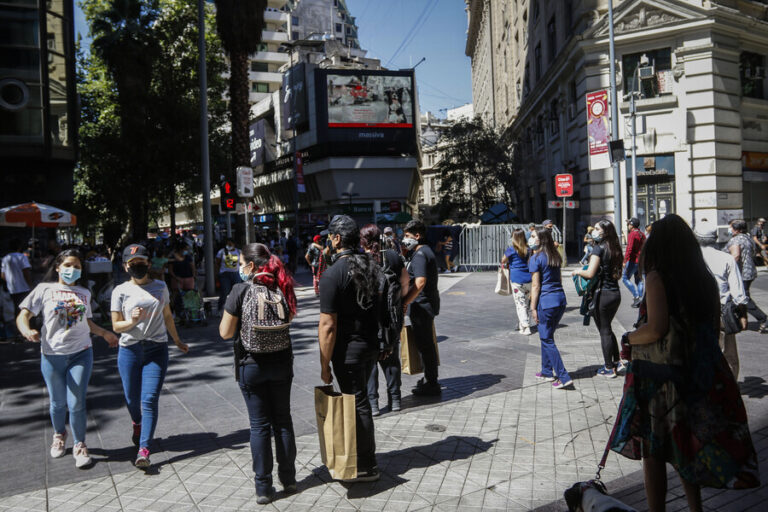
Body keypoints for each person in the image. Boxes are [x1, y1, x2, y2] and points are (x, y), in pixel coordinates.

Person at [612, 214, 759, 511]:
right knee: (684, 448)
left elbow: (656, 328)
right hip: (700, 374)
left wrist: (628, 339)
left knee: (654, 451)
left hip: (663, 379)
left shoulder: (658, 277)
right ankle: (695, 508)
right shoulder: (703, 278)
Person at [16, 249, 119, 468]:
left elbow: (87, 321)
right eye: (68, 265)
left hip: (81, 352)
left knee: (77, 402)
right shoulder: (44, 290)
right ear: (57, 267)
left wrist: (104, 333)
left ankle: (80, 444)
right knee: (57, 403)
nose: (72, 270)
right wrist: (26, 330)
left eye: (77, 266)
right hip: (52, 355)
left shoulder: (84, 293)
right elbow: (23, 315)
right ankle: (59, 434)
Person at [219, 243, 298, 504]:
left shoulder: (240, 290)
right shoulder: (282, 285)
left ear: (251, 266)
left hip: (251, 365)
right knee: (283, 421)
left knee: (259, 425)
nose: (239, 268)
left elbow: (225, 332)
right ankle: (289, 479)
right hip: (282, 362)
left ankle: (263, 487)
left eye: (241, 263)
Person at [111, 244, 189, 468]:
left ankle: (144, 449)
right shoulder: (120, 291)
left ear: (148, 264)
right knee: (131, 399)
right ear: (126, 266)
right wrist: (133, 321)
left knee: (149, 399)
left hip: (157, 348)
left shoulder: (160, 286)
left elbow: (167, 315)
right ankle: (137, 423)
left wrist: (177, 340)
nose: (138, 266)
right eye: (133, 264)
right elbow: (117, 326)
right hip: (130, 350)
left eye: (142, 262)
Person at [318, 215, 381, 482]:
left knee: (358, 404)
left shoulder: (332, 274)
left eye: (329, 238)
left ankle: (367, 465)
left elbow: (327, 325)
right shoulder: (372, 265)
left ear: (336, 239)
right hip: (371, 345)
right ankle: (362, 458)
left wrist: (324, 365)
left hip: (349, 351)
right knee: (361, 401)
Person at [361, 224, 409, 416]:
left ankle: (373, 404)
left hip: (369, 320)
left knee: (370, 363)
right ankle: (395, 399)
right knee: (391, 359)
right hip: (391, 317)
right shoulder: (393, 256)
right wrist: (401, 303)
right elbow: (406, 283)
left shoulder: (360, 260)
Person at [694, 221, 748, 380]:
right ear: (715, 238)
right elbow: (738, 291)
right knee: (728, 355)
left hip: (696, 314)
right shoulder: (726, 259)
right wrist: (743, 314)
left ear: (696, 238)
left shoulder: (690, 259)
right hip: (722, 313)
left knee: (701, 352)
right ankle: (730, 387)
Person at [573, 220, 623, 378]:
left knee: (604, 331)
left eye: (596, 229)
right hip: (615, 293)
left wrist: (577, 271)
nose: (593, 231)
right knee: (608, 328)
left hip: (603, 294)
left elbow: (590, 273)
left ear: (604, 232)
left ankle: (609, 368)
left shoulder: (598, 248)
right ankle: (617, 362)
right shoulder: (615, 247)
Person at [401, 219, 441, 396]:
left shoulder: (420, 254)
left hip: (422, 306)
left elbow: (420, 281)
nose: (404, 239)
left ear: (417, 236)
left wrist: (406, 301)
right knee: (426, 345)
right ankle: (429, 379)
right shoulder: (423, 251)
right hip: (425, 304)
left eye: (407, 236)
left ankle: (431, 383)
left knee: (425, 346)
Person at [529, 228, 572, 389]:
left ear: (541, 240)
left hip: (546, 302)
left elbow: (535, 285)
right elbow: (559, 280)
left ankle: (563, 375)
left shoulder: (536, 258)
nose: (530, 239)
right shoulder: (554, 255)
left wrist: (533, 307)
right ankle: (547, 371)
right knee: (547, 336)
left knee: (546, 339)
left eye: (533, 236)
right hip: (560, 300)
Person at [725, 219, 767, 333]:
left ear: (737, 229)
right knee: (742, 297)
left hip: (741, 273)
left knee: (744, 298)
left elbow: (736, 255)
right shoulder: (747, 237)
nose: (729, 229)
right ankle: (742, 320)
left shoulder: (736, 240)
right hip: (749, 271)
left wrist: (727, 268)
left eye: (731, 227)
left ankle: (763, 319)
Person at [501, 229, 532, 335]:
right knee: (526, 304)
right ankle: (521, 325)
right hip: (528, 278)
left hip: (516, 279)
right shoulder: (528, 249)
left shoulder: (510, 250)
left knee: (520, 303)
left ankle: (526, 326)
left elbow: (503, 260)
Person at [2, 238, 32, 312]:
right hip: (24, 288)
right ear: (19, 247)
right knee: (25, 308)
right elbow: (26, 272)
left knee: (16, 309)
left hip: (12, 289)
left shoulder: (5, 258)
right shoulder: (22, 257)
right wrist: (30, 285)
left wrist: (9, 282)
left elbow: (2, 274)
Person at [622, 217, 646, 308]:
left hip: (633, 260)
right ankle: (640, 298)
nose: (628, 225)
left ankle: (636, 297)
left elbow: (629, 248)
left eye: (628, 224)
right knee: (639, 280)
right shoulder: (642, 234)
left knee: (625, 278)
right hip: (640, 261)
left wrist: (625, 261)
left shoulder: (632, 234)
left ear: (631, 225)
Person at [216, 239, 241, 312]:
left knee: (237, 292)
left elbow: (242, 263)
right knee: (224, 292)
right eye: (227, 244)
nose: (228, 246)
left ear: (234, 244)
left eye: (230, 244)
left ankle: (237, 309)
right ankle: (220, 309)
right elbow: (217, 263)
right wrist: (217, 274)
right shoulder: (221, 252)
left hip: (236, 274)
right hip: (224, 274)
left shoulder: (239, 252)